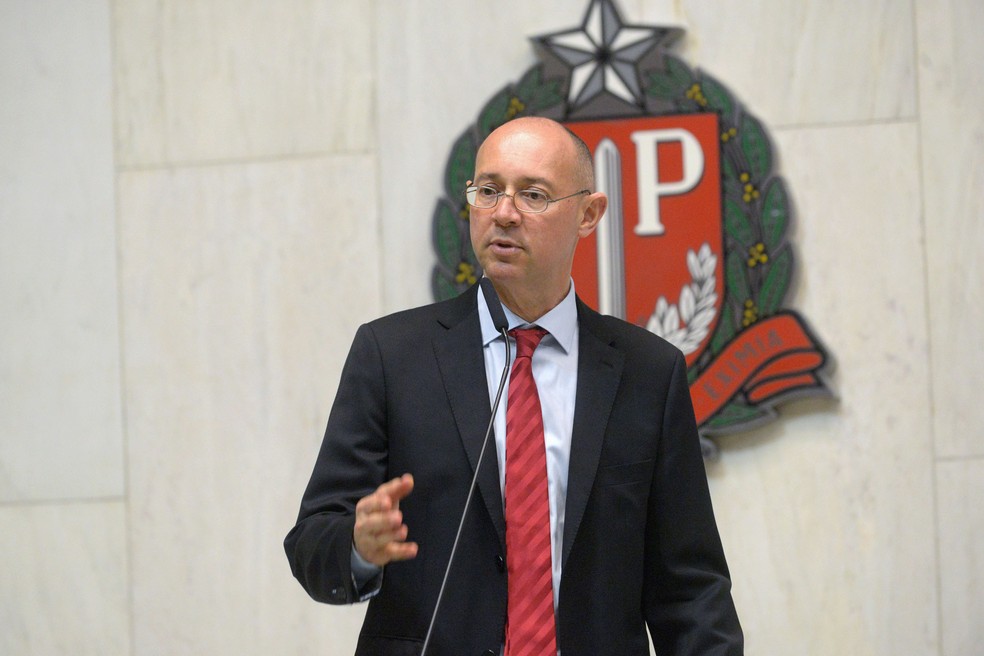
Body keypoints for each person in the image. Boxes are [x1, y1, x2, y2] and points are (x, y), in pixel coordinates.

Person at [284, 116, 743, 655]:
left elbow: (690, 590)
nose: (503, 213)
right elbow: (313, 541)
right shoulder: (392, 356)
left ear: (589, 214)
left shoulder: (648, 372)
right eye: (488, 191)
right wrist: (359, 546)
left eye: (533, 195)